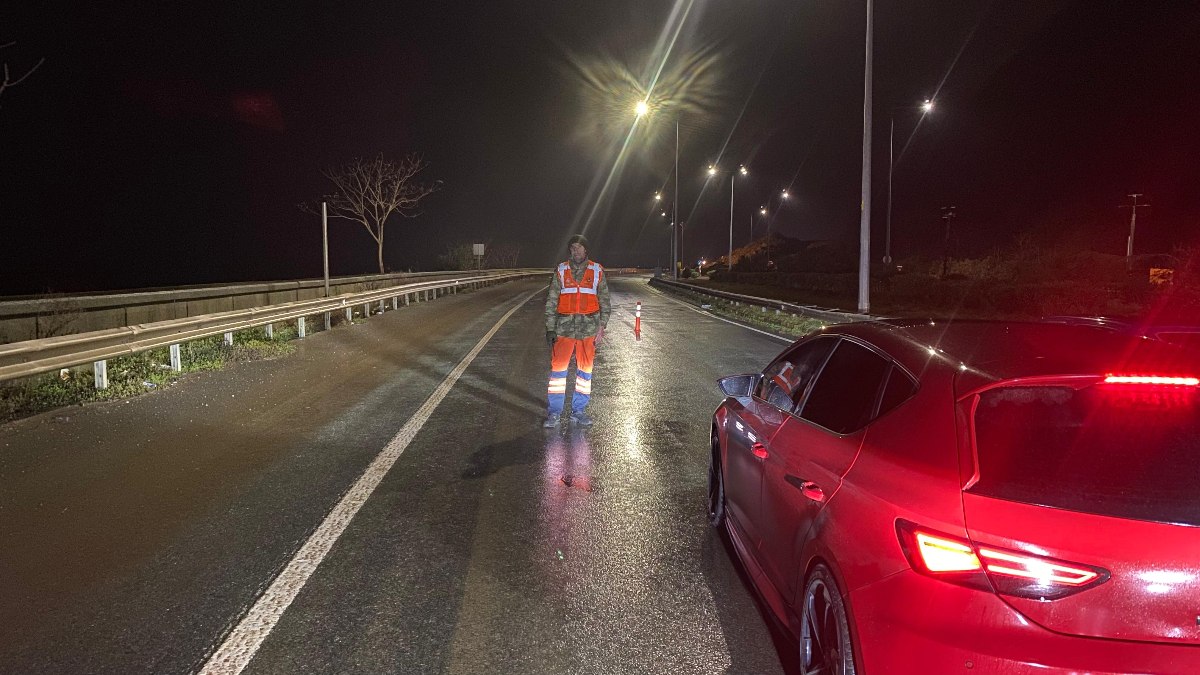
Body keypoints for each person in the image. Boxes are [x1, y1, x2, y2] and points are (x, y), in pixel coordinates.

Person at [544, 234, 610, 428]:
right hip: (563, 329)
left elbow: (605, 301)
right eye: (573, 248)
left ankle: (578, 411)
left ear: (586, 250)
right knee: (558, 373)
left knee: (585, 373)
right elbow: (551, 301)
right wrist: (550, 328)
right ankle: (555, 413)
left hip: (588, 330)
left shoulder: (597, 271)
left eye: (579, 248)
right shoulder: (561, 270)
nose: (576, 251)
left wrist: (602, 326)